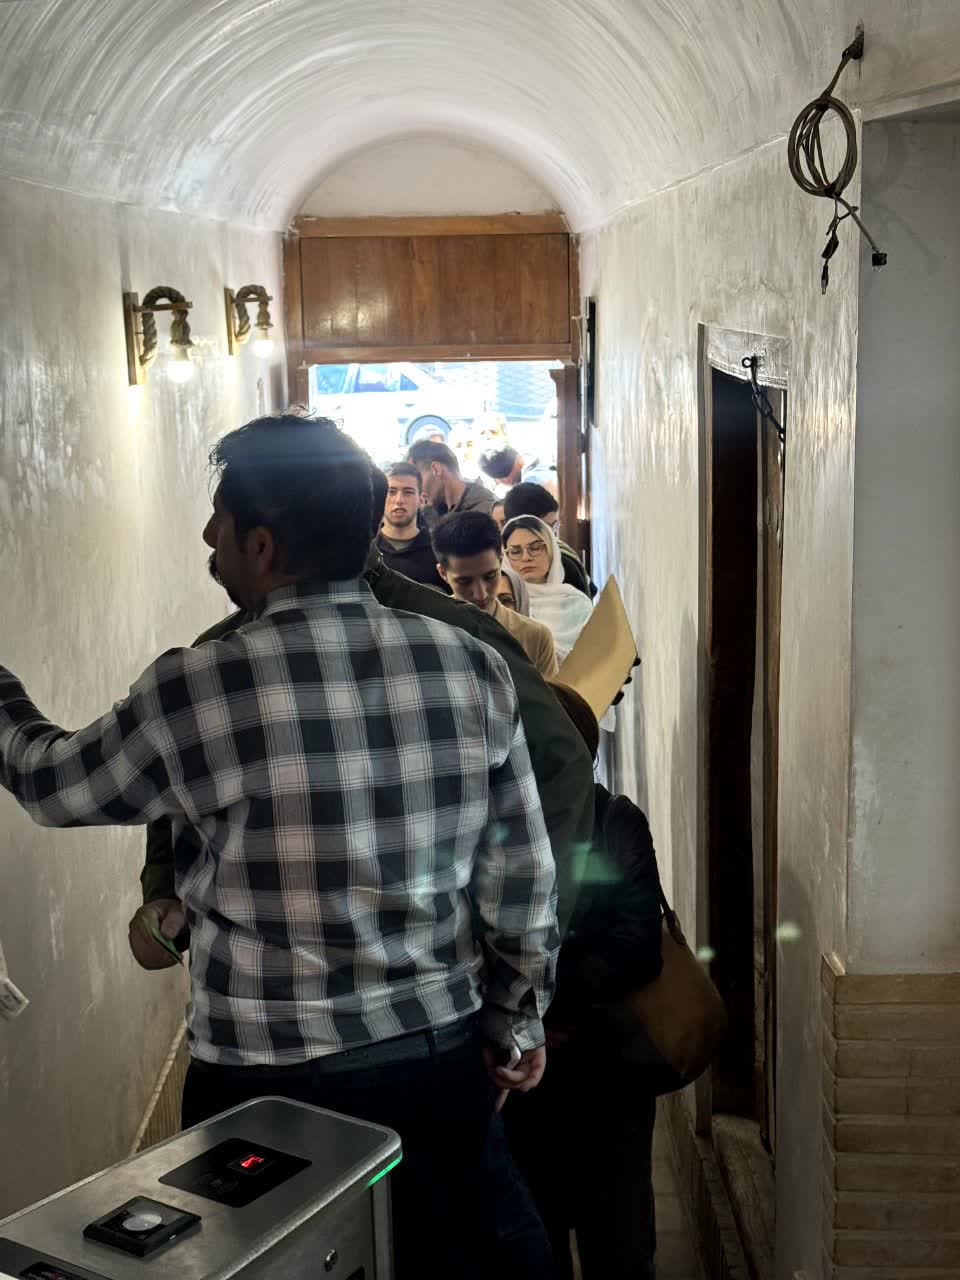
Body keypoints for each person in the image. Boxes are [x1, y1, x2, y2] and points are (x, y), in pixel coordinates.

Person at [0, 415, 560, 1280]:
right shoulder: (469, 666)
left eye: (219, 520)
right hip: (431, 1057)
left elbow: (52, 783)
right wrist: (516, 1018)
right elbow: (521, 876)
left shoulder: (198, 685)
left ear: (262, 546)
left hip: (259, 1087)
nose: (207, 537)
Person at [504, 684, 663, 1280]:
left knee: (617, 1240)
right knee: (536, 1238)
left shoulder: (616, 822)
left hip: (606, 1069)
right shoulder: (501, 833)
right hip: (527, 1084)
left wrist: (545, 1008)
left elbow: (638, 946)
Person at [432, 512, 559, 681]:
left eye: (490, 576)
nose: (481, 593)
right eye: (464, 581)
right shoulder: (430, 633)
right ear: (443, 573)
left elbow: (549, 698)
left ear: (501, 560)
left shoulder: (535, 638)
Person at [502, 515, 594, 666]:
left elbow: (596, 657)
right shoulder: (504, 603)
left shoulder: (576, 602)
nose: (526, 557)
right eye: (515, 551)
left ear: (551, 549)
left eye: (535, 547)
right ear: (505, 557)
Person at [504, 482, 596, 598]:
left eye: (554, 525)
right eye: (515, 551)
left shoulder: (563, 561)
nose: (526, 558)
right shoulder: (500, 570)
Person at [376, 461, 448, 591]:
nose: (399, 500)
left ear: (421, 500)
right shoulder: (366, 549)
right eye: (391, 491)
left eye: (408, 492)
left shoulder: (438, 549)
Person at [407, 439, 495, 521]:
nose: (415, 487)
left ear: (436, 469)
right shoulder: (438, 510)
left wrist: (428, 515)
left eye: (416, 477)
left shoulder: (485, 509)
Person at [480, 446, 558, 497]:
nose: (505, 480)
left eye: (506, 473)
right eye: (497, 477)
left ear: (518, 460)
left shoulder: (532, 480)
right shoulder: (536, 461)